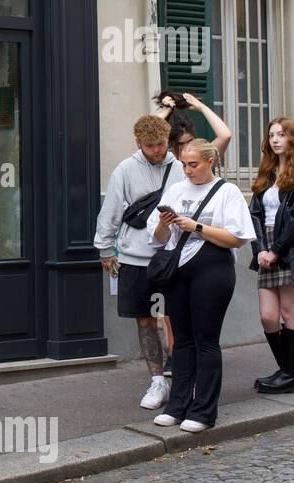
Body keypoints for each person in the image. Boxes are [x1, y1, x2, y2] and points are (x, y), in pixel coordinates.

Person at [147, 139, 255, 432]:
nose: (187, 170)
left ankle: (204, 411)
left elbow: (238, 238)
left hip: (212, 268)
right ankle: (177, 405)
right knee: (181, 341)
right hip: (177, 270)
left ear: (210, 161)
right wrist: (165, 223)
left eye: (193, 164)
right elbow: (157, 238)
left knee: (205, 339)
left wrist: (195, 226)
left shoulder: (227, 191)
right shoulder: (176, 189)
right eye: (183, 164)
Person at [94, 115, 177, 411]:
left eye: (161, 144)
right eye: (150, 145)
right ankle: (157, 381)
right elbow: (112, 210)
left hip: (172, 256)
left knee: (175, 316)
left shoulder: (179, 168)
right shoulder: (125, 170)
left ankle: (180, 376)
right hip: (135, 257)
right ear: (138, 143)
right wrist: (105, 249)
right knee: (144, 319)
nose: (157, 150)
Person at [154, 90, 232, 377]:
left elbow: (224, 135)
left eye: (188, 143)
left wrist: (199, 105)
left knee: (197, 315)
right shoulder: (165, 160)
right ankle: (177, 359)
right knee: (170, 313)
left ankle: (188, 362)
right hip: (169, 236)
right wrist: (165, 110)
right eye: (178, 144)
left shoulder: (201, 159)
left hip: (202, 246)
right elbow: (148, 133)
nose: (185, 153)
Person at [248, 117, 294, 395]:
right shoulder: (267, 172)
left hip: (290, 249)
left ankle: (289, 374)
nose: (275, 139)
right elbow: (253, 213)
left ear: (293, 139)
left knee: (290, 312)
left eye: (281, 134)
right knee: (268, 317)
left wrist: (276, 251)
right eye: (271, 135)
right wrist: (260, 251)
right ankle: (287, 371)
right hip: (265, 247)